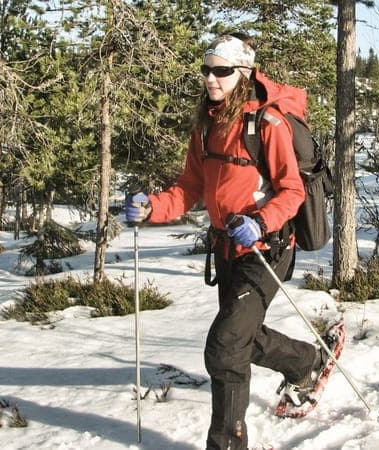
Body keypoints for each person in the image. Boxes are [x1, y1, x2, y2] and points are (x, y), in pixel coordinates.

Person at [125, 33, 325, 450]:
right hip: (227, 249)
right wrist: (152, 208)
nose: (211, 79)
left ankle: (227, 445)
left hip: (267, 250)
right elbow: (188, 188)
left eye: (221, 71)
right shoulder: (207, 126)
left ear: (244, 74)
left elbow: (292, 191)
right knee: (240, 338)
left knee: (224, 349)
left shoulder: (266, 124)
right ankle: (306, 362)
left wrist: (261, 222)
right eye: (206, 70)